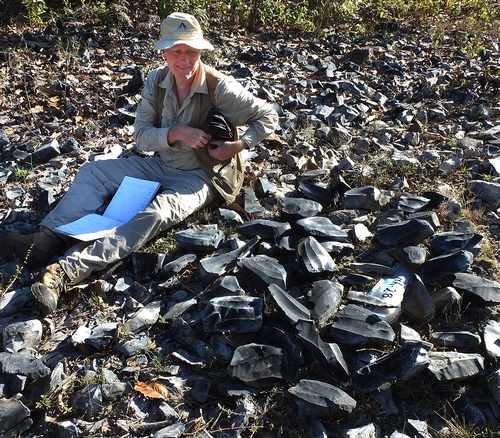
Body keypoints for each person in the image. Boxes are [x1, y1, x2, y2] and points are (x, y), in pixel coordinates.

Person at [0, 12, 278, 314]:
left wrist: (239, 145)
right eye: (177, 52)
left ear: (201, 51)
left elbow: (269, 116)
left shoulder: (218, 87)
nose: (185, 60)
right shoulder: (156, 81)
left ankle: (64, 273)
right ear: (164, 52)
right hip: (159, 163)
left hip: (199, 175)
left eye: (192, 52)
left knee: (155, 214)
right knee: (94, 172)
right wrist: (174, 133)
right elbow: (142, 138)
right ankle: (46, 240)